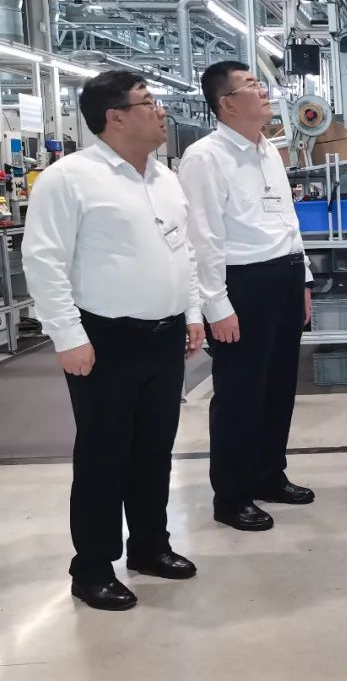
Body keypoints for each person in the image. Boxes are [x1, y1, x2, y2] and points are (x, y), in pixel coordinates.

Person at [23, 71, 203, 611]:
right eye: (149, 102)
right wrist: (67, 336)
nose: (161, 111)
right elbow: (44, 261)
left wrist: (192, 311)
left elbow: (184, 251)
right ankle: (93, 567)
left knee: (154, 449)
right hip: (104, 338)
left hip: (165, 335)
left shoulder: (165, 178)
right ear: (115, 117)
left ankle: (150, 545)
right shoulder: (70, 178)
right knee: (104, 456)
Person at [179, 61, 314, 532]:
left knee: (278, 387)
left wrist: (303, 280)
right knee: (240, 395)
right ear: (227, 103)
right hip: (242, 285)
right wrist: (216, 305)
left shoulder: (268, 150)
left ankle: (269, 474)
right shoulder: (204, 158)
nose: (263, 91)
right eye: (252, 85)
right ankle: (232, 496)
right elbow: (202, 239)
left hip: (283, 278)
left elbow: (288, 221)